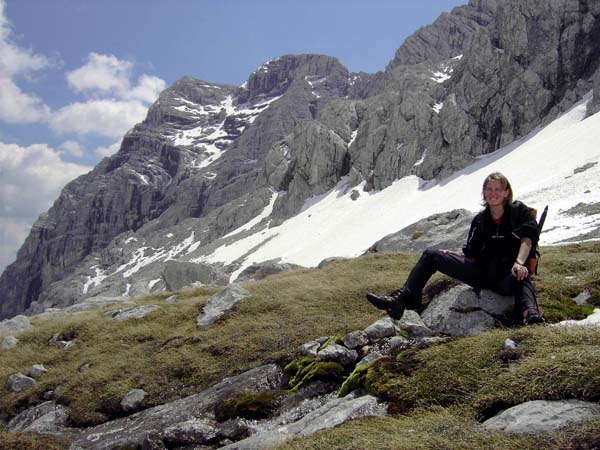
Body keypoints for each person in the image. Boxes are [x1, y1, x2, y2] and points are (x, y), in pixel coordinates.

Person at [366, 172, 544, 325]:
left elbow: (527, 239)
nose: (493, 193)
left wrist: (519, 262)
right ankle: (402, 299)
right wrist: (455, 256)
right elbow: (472, 253)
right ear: (484, 193)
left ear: (506, 192)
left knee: (522, 274)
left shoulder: (519, 211)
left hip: (508, 275)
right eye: (489, 189)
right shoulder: (480, 221)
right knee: (431, 255)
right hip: (483, 274)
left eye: (497, 189)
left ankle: (530, 314)